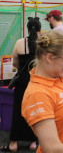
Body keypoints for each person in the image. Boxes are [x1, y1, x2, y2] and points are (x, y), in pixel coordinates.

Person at [0, 17, 40, 152]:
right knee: (35, 110)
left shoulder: (19, 43)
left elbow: (15, 64)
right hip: (37, 81)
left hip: (22, 81)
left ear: (28, 29)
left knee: (18, 110)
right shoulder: (42, 44)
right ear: (39, 30)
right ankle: (33, 142)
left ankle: (14, 143)